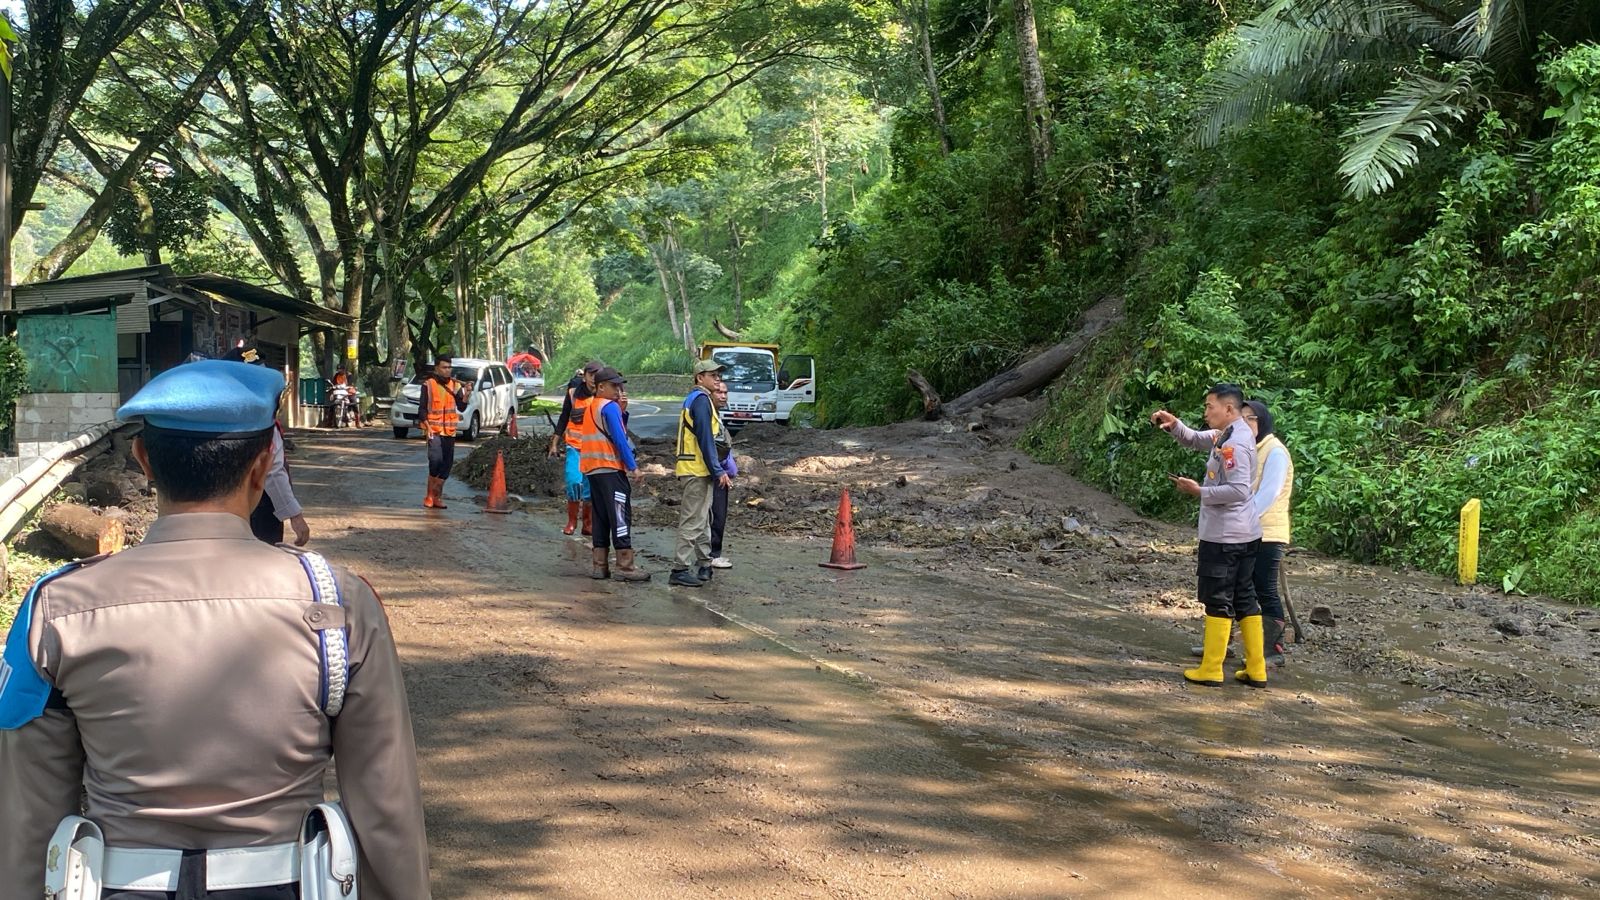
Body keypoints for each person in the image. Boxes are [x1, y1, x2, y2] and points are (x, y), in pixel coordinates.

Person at [0, 359, 430, 899]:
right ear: (263, 466)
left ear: (143, 459)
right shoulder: (339, 602)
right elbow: (386, 807)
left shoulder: (55, 608)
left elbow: (28, 815)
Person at [1150, 383, 1267, 688]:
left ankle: (1212, 668)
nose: (1205, 412)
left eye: (1209, 406)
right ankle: (1257, 668)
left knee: (1218, 598)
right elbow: (1195, 439)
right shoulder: (1230, 433)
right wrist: (1174, 425)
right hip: (1244, 534)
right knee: (1244, 597)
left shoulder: (1235, 443)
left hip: (1226, 537)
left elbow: (1238, 490)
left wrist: (1199, 491)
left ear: (1228, 408)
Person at [575, 367, 650, 582]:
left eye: (620, 386)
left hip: (592, 469)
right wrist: (634, 467)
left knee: (600, 516)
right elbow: (619, 439)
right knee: (619, 514)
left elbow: (609, 432)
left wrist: (622, 411)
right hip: (610, 468)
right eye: (614, 386)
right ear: (601, 387)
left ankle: (600, 566)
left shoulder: (592, 406)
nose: (619, 390)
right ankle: (625, 566)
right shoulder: (609, 407)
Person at [670, 360, 731, 587]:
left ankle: (705, 564)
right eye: (712, 375)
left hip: (695, 468)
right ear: (699, 377)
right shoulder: (702, 401)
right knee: (693, 520)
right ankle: (679, 569)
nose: (717, 378)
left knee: (703, 518)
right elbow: (706, 439)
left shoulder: (696, 399)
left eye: (718, 375)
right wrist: (718, 470)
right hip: (696, 469)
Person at [1245, 399, 1294, 666]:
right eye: (1240, 419)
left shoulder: (1275, 452)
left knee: (1265, 590)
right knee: (1240, 587)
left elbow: (1269, 493)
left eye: (1249, 419)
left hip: (1267, 533)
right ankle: (1235, 645)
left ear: (1261, 421)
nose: (1244, 424)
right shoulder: (1251, 449)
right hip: (1248, 529)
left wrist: (1241, 518)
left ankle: (1273, 651)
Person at [550, 362, 602, 535]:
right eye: (591, 375)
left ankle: (587, 524)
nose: (594, 379)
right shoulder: (573, 393)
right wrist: (555, 443)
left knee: (590, 488)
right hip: (574, 447)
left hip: (594, 451)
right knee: (573, 482)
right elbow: (564, 417)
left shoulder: (603, 396)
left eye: (597, 375)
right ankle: (572, 522)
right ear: (584, 376)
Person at [419, 354, 469, 509]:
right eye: (444, 367)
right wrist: (427, 427)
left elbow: (462, 406)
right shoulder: (429, 384)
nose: (448, 370)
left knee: (447, 465)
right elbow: (422, 409)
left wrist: (467, 393)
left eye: (449, 367)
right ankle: (429, 496)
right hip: (434, 430)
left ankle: (437, 497)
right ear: (437, 368)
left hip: (449, 431)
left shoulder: (456, 386)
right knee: (435, 461)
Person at [708, 381, 736, 569]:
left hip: (720, 471)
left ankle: (714, 553)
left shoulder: (716, 415)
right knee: (715, 514)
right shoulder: (708, 415)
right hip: (713, 472)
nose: (723, 396)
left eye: (725, 392)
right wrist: (719, 470)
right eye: (719, 392)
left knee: (720, 513)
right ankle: (710, 555)